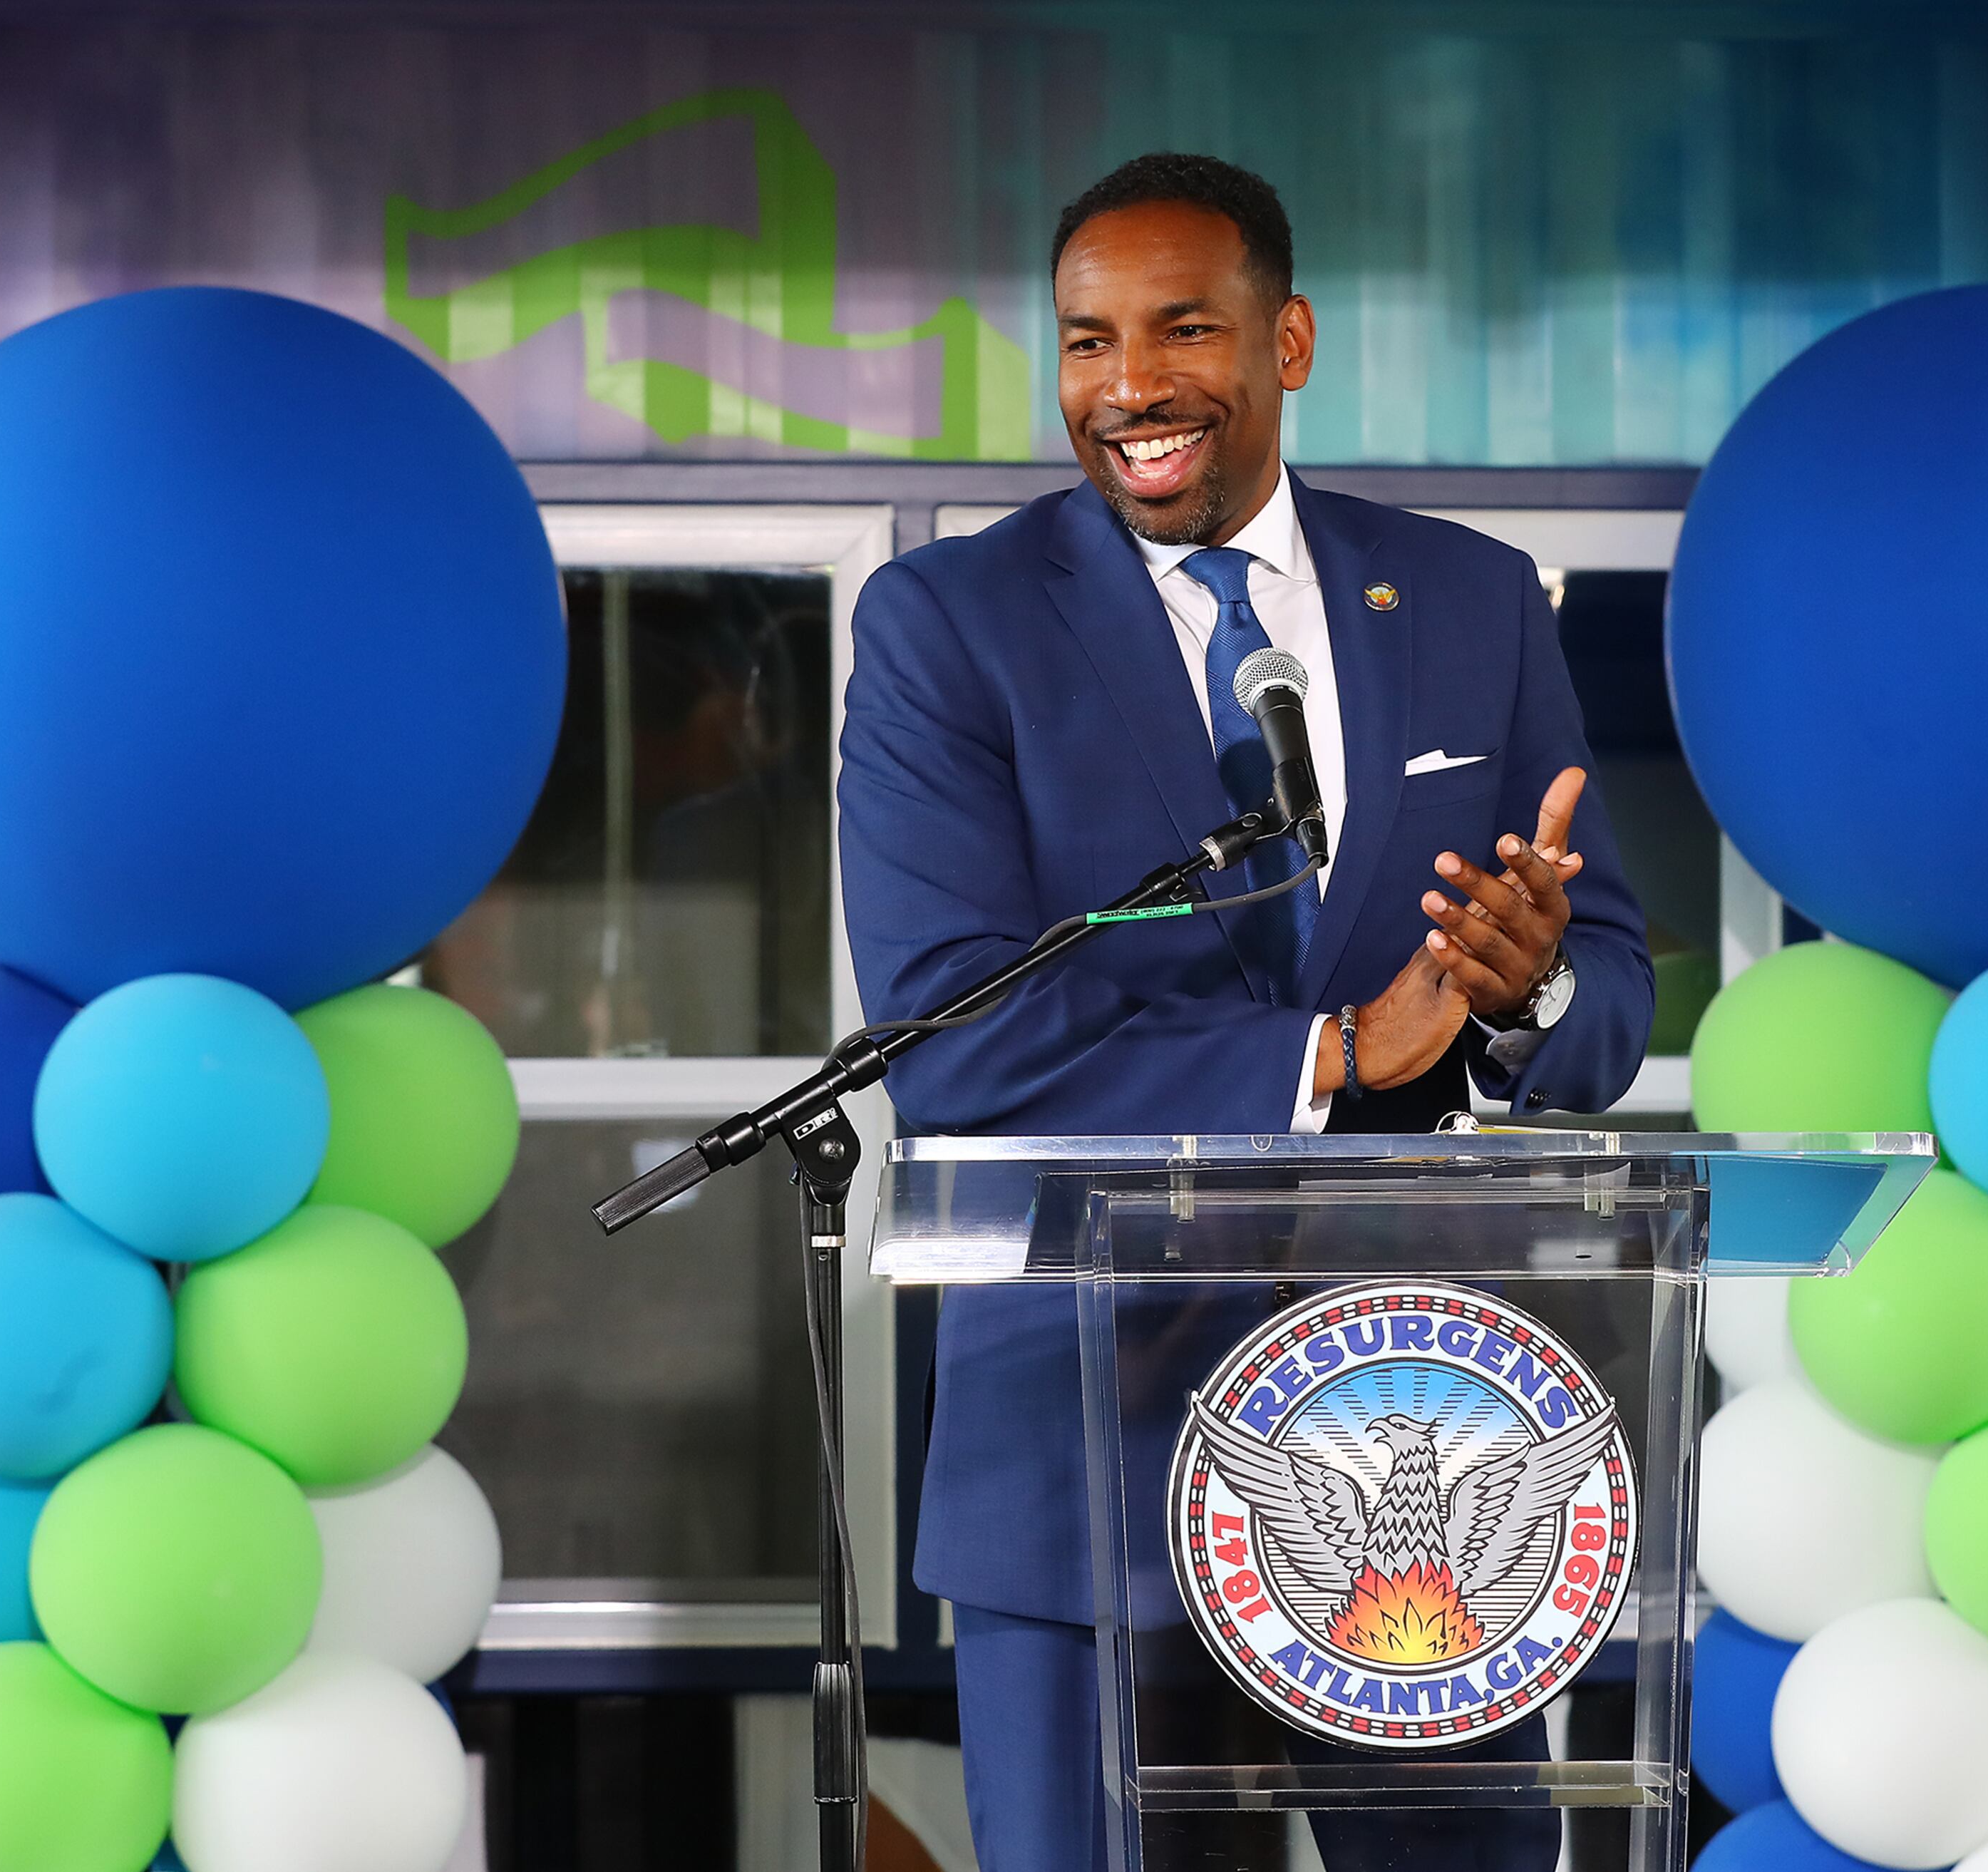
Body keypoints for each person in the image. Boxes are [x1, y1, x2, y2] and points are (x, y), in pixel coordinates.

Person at [838, 152, 1654, 1872]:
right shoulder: (949, 625)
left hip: (1420, 1436)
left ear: (1285, 340)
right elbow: (949, 1036)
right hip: (1083, 1446)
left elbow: (1609, 991)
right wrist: (1341, 1052)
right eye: (1085, 341)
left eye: (1182, 328)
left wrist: (1526, 991)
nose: (1127, 385)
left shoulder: (1468, 596)